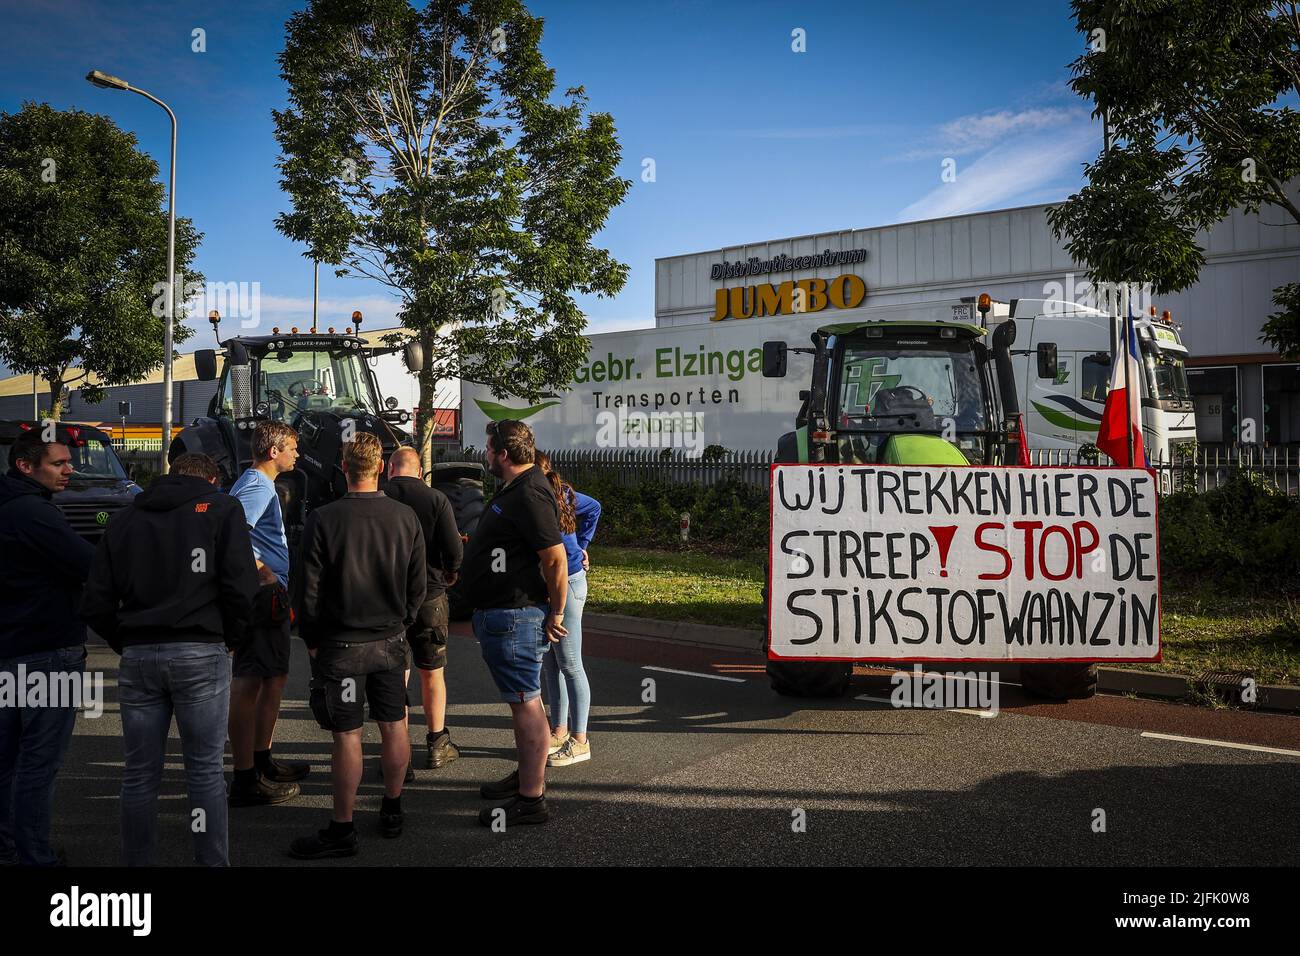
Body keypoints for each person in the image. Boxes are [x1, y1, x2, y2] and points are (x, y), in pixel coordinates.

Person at [81, 453, 259, 866]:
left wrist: (127, 640)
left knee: (140, 774)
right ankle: (209, 861)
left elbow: (96, 600)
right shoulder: (221, 509)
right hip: (201, 649)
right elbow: (241, 585)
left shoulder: (125, 519)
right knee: (204, 772)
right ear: (212, 479)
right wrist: (229, 637)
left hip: (141, 652)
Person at [289, 433, 426, 859]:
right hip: (389, 641)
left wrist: (312, 641)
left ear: (343, 468)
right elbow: (417, 586)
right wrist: (401, 623)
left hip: (341, 645)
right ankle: (392, 808)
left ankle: (342, 826)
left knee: (347, 736)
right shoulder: (405, 518)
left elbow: (306, 591)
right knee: (394, 724)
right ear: (381, 468)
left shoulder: (323, 519)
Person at [460, 420, 568, 827]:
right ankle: (527, 775)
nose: (485, 455)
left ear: (503, 454)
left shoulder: (530, 492)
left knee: (526, 705)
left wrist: (557, 611)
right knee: (525, 702)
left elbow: (555, 558)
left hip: (515, 615)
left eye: (488, 449)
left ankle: (531, 798)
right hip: (506, 613)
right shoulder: (517, 488)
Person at [0, 427, 95, 866]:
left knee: (7, 763)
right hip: (47, 652)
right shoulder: (34, 514)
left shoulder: (10, 507)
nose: (69, 470)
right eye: (58, 464)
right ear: (25, 465)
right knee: (38, 764)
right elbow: (87, 564)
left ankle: (9, 848)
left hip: (11, 650)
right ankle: (34, 856)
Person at [227, 421, 306, 807]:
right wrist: (264, 572)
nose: (297, 453)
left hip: (264, 597)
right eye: (292, 447)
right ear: (273, 451)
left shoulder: (256, 483)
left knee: (271, 677)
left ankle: (261, 761)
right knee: (251, 681)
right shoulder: (258, 487)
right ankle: (245, 777)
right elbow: (234, 532)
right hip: (262, 599)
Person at [385, 448, 463, 771]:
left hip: (389, 599)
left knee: (396, 675)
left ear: (390, 469)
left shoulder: (379, 496)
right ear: (420, 472)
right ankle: (437, 743)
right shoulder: (435, 500)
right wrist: (451, 570)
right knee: (432, 672)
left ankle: (397, 747)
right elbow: (453, 548)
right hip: (431, 595)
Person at [535, 452, 601, 767]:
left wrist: (583, 546)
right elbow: (594, 508)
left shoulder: (555, 496)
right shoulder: (557, 494)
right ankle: (559, 730)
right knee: (552, 663)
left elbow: (594, 509)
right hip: (552, 585)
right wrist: (583, 545)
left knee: (570, 664)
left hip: (569, 584)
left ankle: (580, 740)